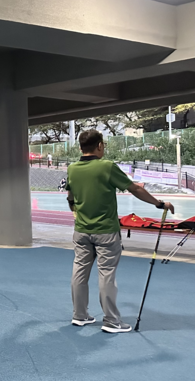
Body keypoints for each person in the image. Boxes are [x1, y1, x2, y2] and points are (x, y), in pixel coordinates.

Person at [66, 130, 174, 334]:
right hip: (106, 231)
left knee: (79, 272)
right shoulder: (106, 166)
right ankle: (111, 321)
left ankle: (79, 315)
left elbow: (71, 197)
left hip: (81, 231)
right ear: (99, 146)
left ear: (80, 147)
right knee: (106, 274)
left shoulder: (72, 168)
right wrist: (160, 203)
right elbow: (135, 189)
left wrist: (77, 211)